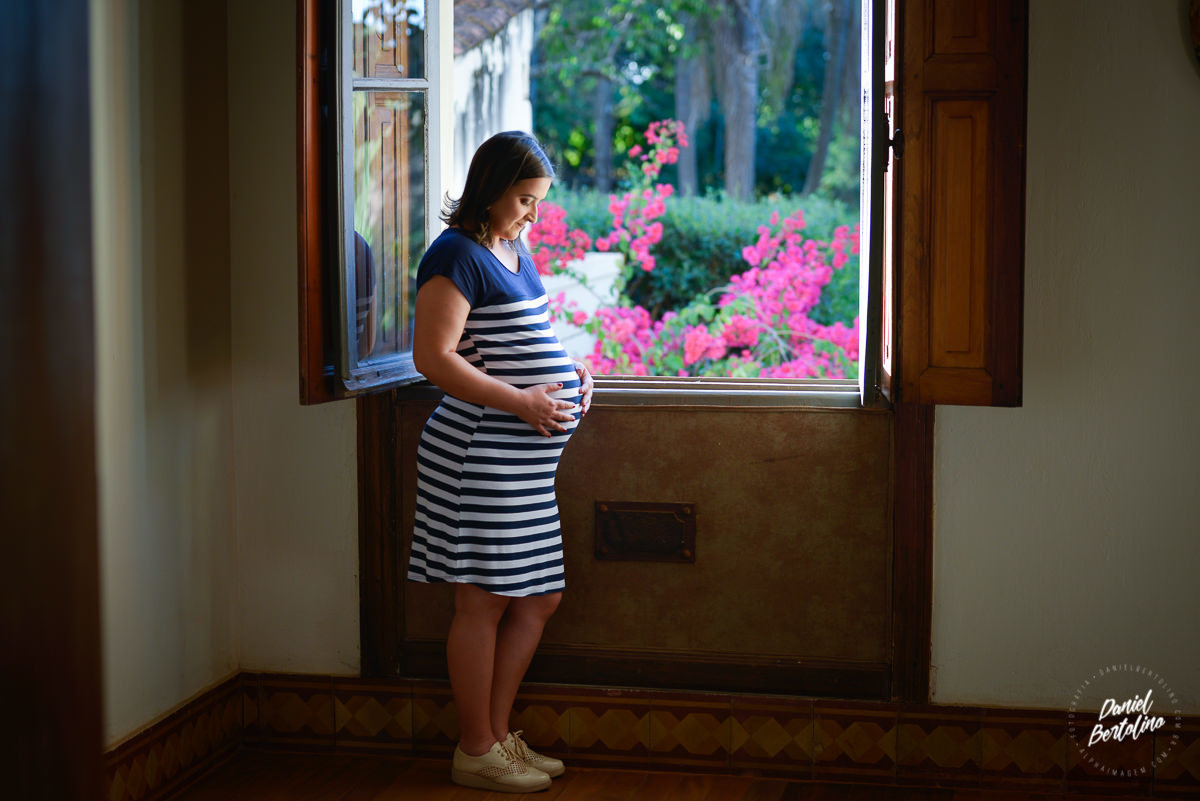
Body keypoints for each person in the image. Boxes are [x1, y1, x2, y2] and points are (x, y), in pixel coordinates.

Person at [409, 131, 594, 793]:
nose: (532, 214)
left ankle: (496, 736)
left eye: (538, 202)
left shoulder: (512, 248)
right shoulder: (455, 255)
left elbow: (517, 335)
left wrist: (568, 372)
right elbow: (434, 358)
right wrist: (522, 401)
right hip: (478, 456)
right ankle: (476, 746)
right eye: (523, 199)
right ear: (490, 188)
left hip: (521, 465)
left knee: (539, 596)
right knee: (483, 601)